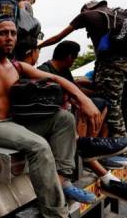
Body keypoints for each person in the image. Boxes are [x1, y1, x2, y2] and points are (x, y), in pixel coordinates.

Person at [0, 15, 105, 217]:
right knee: (39, 146)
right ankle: (55, 213)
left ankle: (61, 178)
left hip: (13, 123)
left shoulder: (17, 66)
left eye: (12, 33)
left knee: (64, 119)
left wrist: (83, 98)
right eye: (2, 33)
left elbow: (54, 77)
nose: (9, 37)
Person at [36, 40, 127, 201]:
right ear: (69, 56)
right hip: (60, 116)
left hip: (67, 115)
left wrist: (89, 94)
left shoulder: (63, 71)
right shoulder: (44, 70)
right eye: (75, 57)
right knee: (76, 114)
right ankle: (94, 159)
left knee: (102, 103)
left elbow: (75, 90)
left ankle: (94, 150)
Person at [38, 0, 127, 137]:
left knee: (111, 101)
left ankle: (120, 139)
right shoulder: (113, 15)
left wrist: (38, 46)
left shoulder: (87, 16)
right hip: (121, 62)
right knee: (109, 98)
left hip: (110, 64)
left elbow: (58, 37)